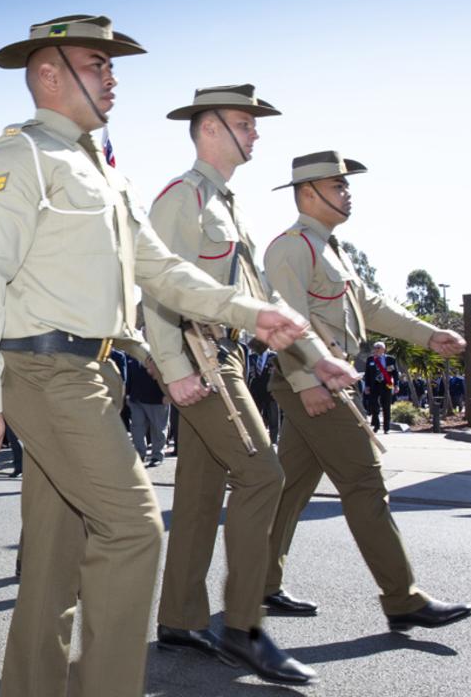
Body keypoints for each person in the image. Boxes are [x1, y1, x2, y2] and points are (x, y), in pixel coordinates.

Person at [0, 15, 308, 697]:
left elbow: (162, 269)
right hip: (43, 370)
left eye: (113, 65)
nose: (111, 75)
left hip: (91, 371)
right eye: (96, 61)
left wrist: (250, 311)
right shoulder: (16, 158)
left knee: (54, 559)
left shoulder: (99, 170)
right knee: (134, 532)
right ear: (48, 72)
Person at [141, 85, 357, 685]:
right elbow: (156, 287)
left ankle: (181, 619)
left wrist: (314, 356)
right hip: (200, 353)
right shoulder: (180, 199)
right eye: (244, 122)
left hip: (224, 350)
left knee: (201, 494)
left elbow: (264, 300)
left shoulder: (225, 204)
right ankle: (242, 628)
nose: (256, 132)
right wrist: (176, 370)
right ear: (210, 128)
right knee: (263, 474)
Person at [263, 150, 471, 632]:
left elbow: (371, 307)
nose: (347, 194)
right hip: (315, 381)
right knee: (364, 483)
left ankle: (259, 582)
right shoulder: (291, 248)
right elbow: (287, 323)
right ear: (307, 193)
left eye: (346, 186)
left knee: (290, 487)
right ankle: (402, 597)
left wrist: (427, 334)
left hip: (327, 380)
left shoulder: (330, 247)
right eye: (337, 187)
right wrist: (306, 381)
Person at [123, 352, 167, 467]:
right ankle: (139, 455)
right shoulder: (132, 353)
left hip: (157, 398)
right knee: (137, 428)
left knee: (158, 429)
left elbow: (168, 373)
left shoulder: (159, 351)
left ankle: (157, 456)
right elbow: (127, 373)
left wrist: (167, 395)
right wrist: (127, 394)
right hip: (136, 398)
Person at [364, 341, 399, 432]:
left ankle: (386, 428)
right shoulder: (370, 359)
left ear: (383, 349)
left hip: (386, 384)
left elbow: (395, 373)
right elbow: (367, 374)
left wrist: (396, 385)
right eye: (375, 347)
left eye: (378, 348)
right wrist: (367, 386)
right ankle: (376, 425)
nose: (376, 349)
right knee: (374, 405)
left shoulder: (391, 359)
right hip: (374, 385)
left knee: (386, 406)